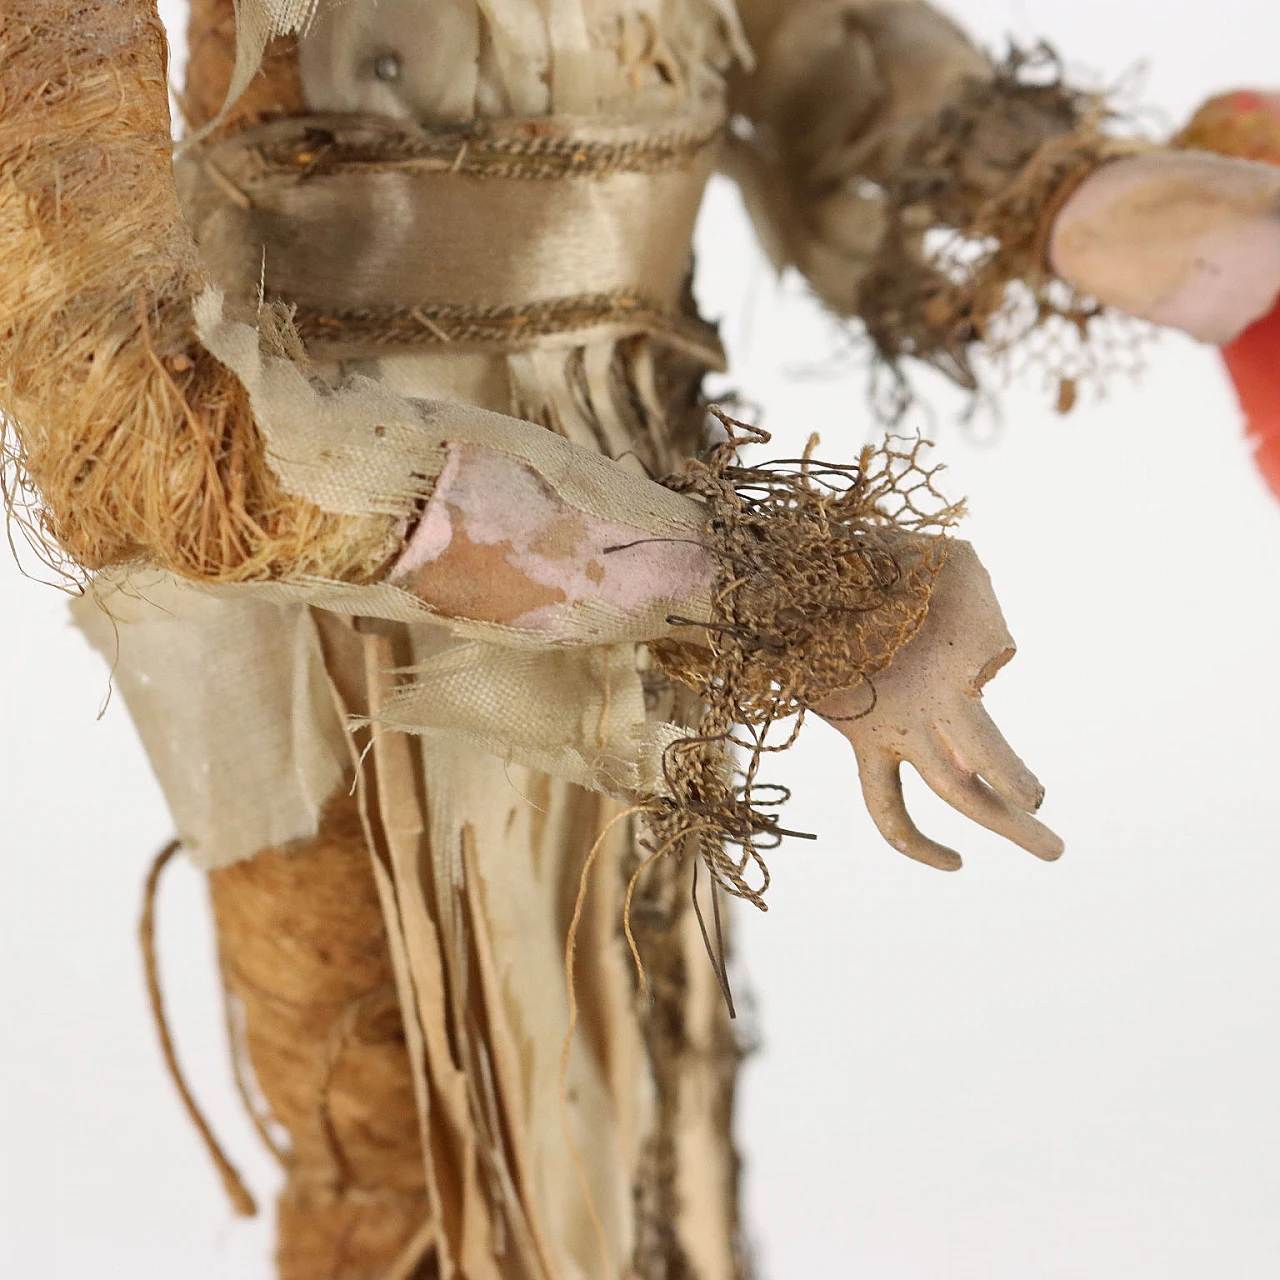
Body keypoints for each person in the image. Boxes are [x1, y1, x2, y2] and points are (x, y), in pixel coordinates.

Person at [3, 2, 1279, 1276]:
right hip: (352, 593)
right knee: (415, 1151)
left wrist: (1060, 194)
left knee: (646, 1087)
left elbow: (797, 36)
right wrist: (752, 590)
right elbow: (132, 413)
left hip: (640, 490)